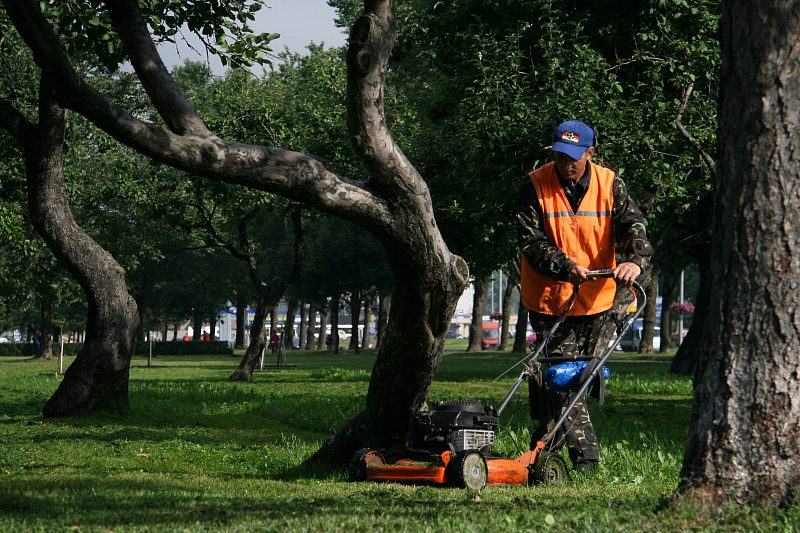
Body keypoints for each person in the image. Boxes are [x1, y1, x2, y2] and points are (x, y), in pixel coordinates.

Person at [518, 120, 653, 473]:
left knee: (584, 376)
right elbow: (531, 243)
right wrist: (565, 265)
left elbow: (633, 227)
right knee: (563, 377)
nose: (566, 164)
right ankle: (586, 463)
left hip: (599, 300)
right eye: (560, 156)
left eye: (574, 157)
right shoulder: (533, 185)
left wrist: (634, 262)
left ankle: (547, 439)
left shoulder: (611, 184)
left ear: (590, 153)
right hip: (551, 300)